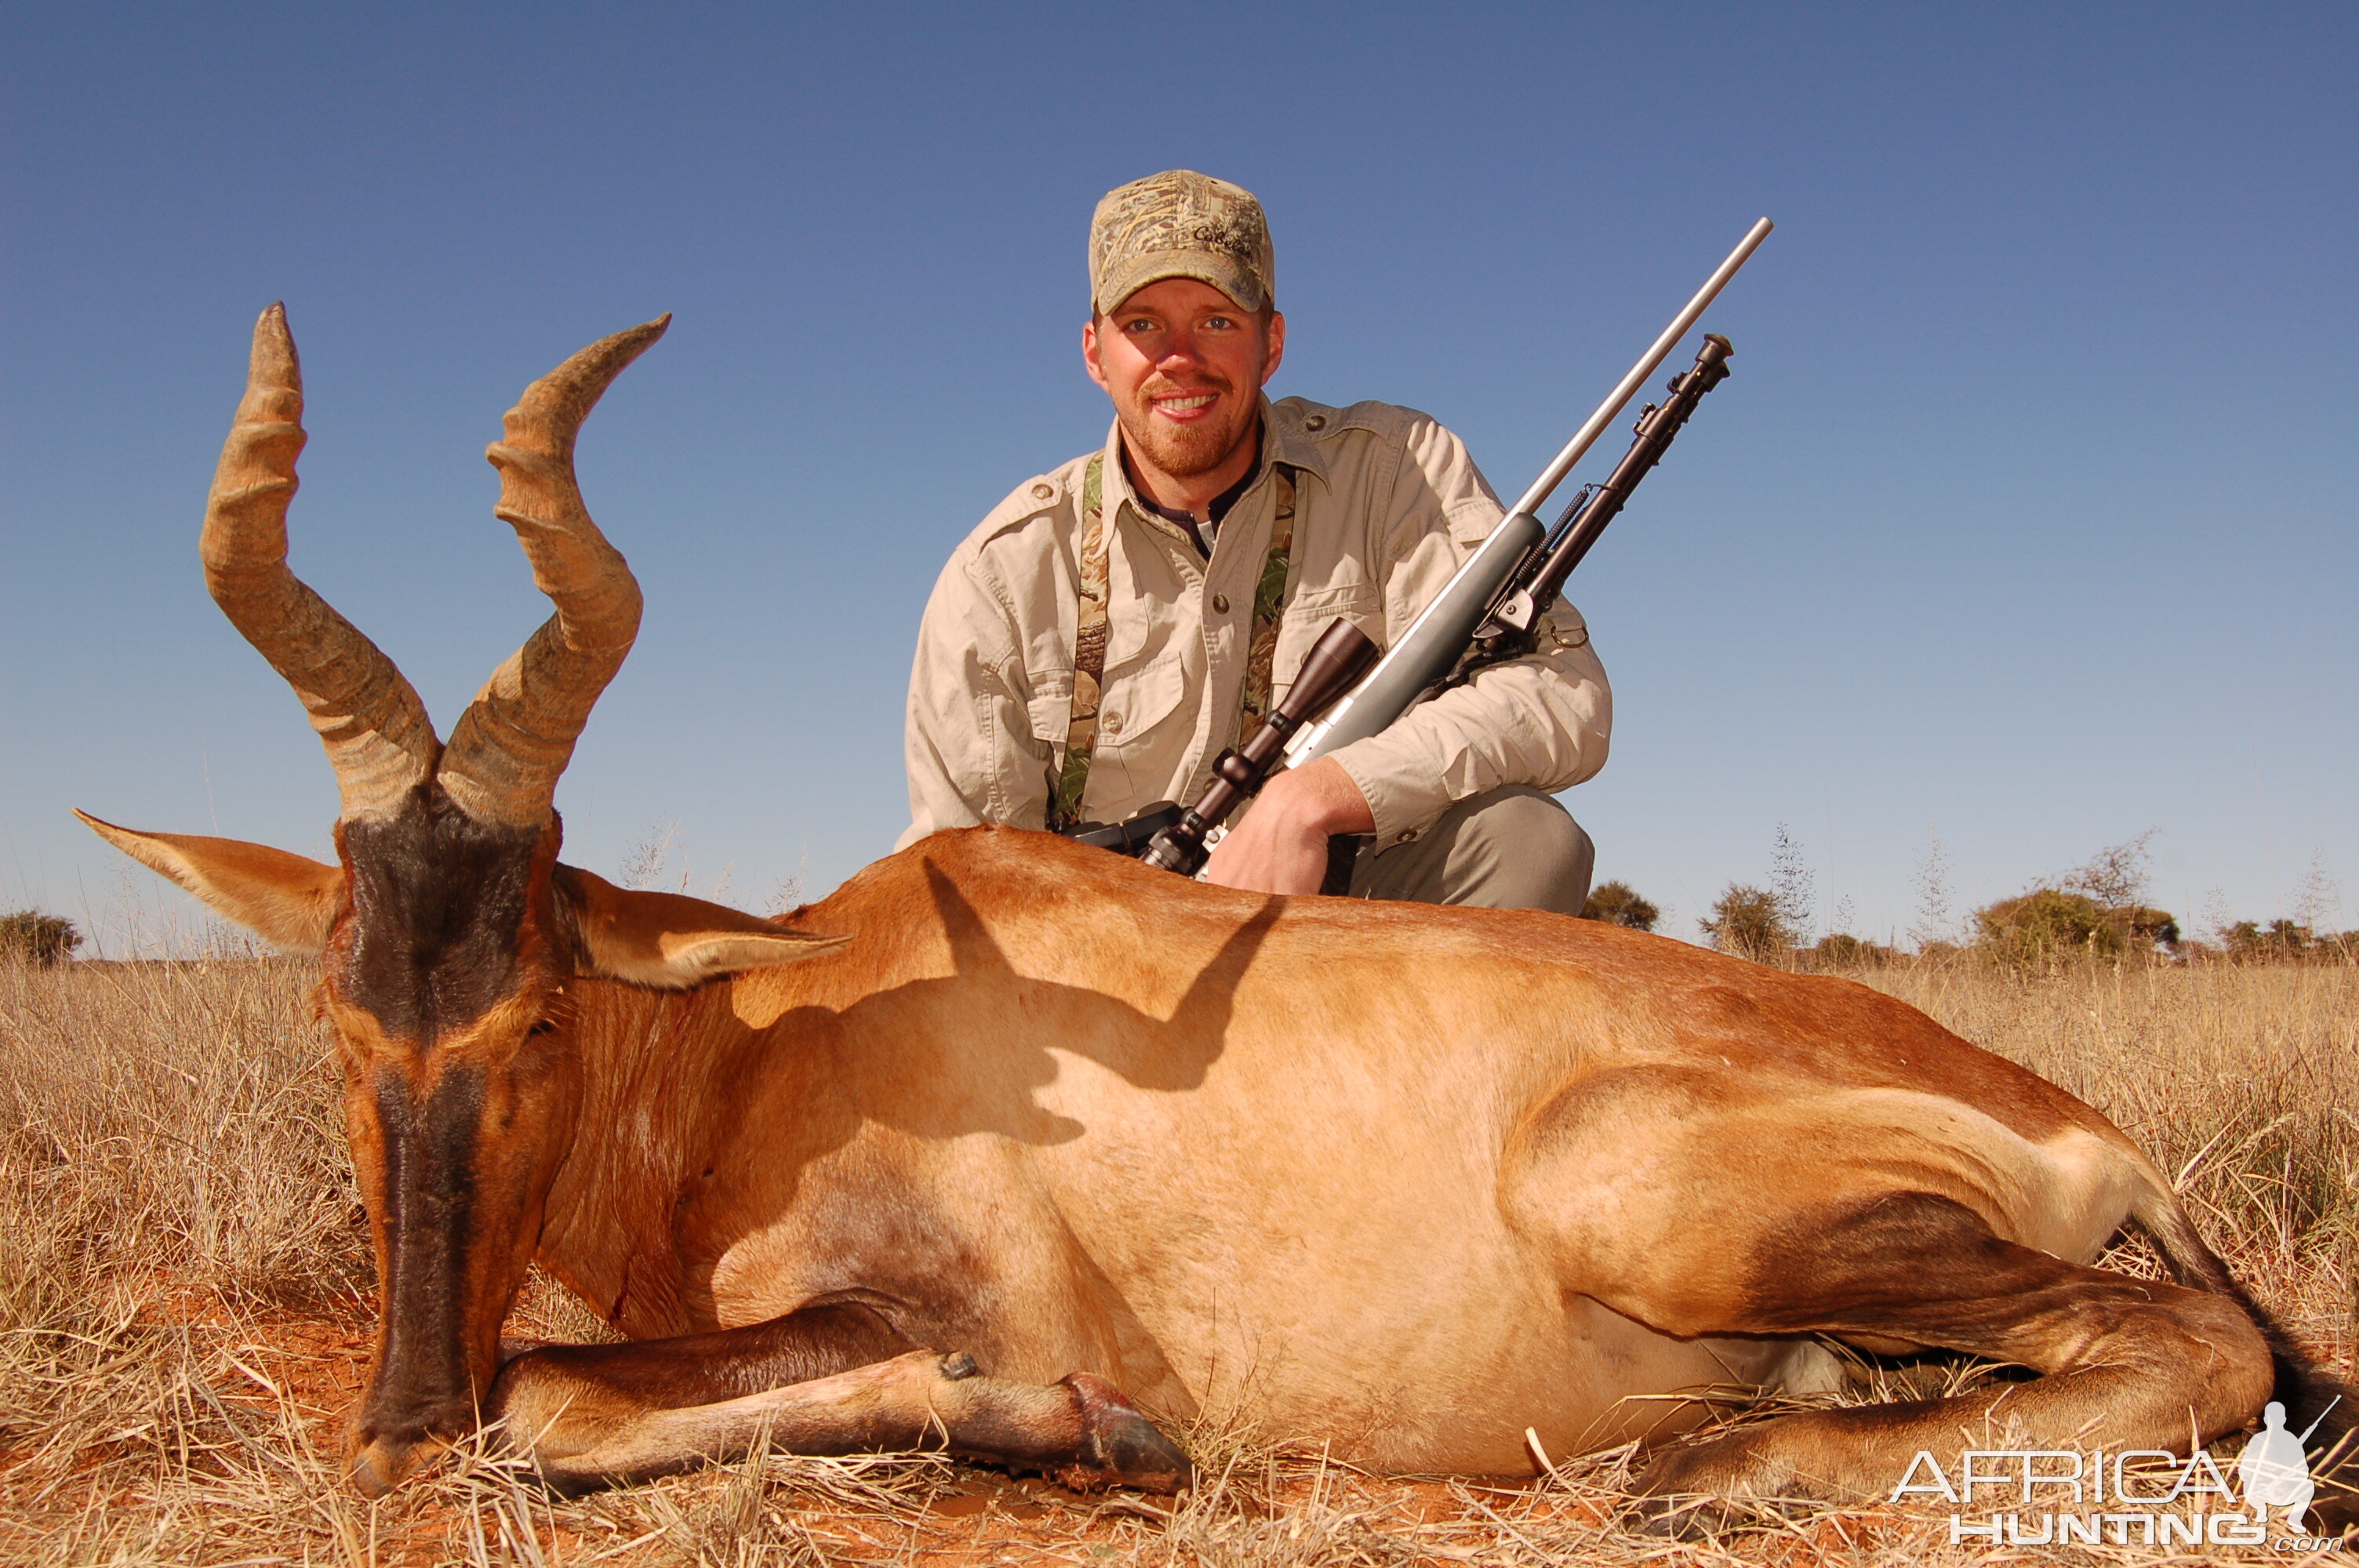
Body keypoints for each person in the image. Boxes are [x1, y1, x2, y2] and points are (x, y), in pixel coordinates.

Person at [897, 170, 1610, 912]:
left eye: (1216, 321)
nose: (1179, 359)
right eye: (1142, 324)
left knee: (1529, 842)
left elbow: (1564, 695)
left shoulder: (1396, 469)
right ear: (1093, 352)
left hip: (1342, 918)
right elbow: (970, 872)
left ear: (1271, 344)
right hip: (1111, 963)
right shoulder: (1002, 572)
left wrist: (1320, 796)